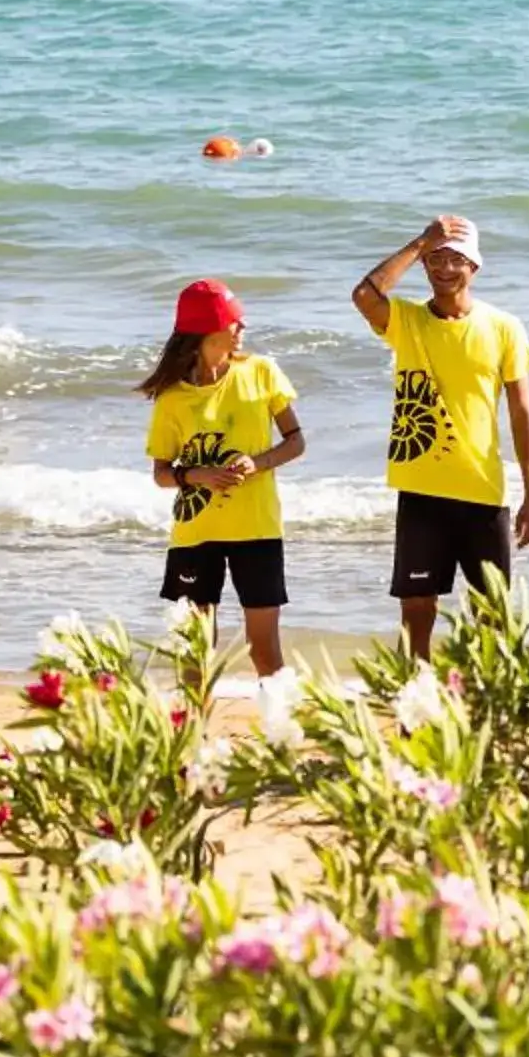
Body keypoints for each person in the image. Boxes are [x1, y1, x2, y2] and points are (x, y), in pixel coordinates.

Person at [350, 215, 529, 660]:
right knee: (417, 610)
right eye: (436, 259)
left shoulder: (503, 327)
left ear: (474, 267)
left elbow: (522, 411)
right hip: (421, 490)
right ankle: (415, 707)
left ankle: (485, 711)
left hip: (483, 491)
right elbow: (364, 295)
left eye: (456, 259)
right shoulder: (407, 321)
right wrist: (419, 242)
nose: (444, 268)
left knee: (492, 615)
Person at [140, 279, 305, 729]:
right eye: (233, 320)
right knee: (197, 646)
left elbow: (295, 442)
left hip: (257, 530)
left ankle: (281, 737)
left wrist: (259, 462)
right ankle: (191, 741)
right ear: (205, 331)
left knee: (263, 646)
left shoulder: (262, 372)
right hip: (196, 535)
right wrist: (198, 476)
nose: (242, 326)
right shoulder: (173, 399)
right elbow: (160, 473)